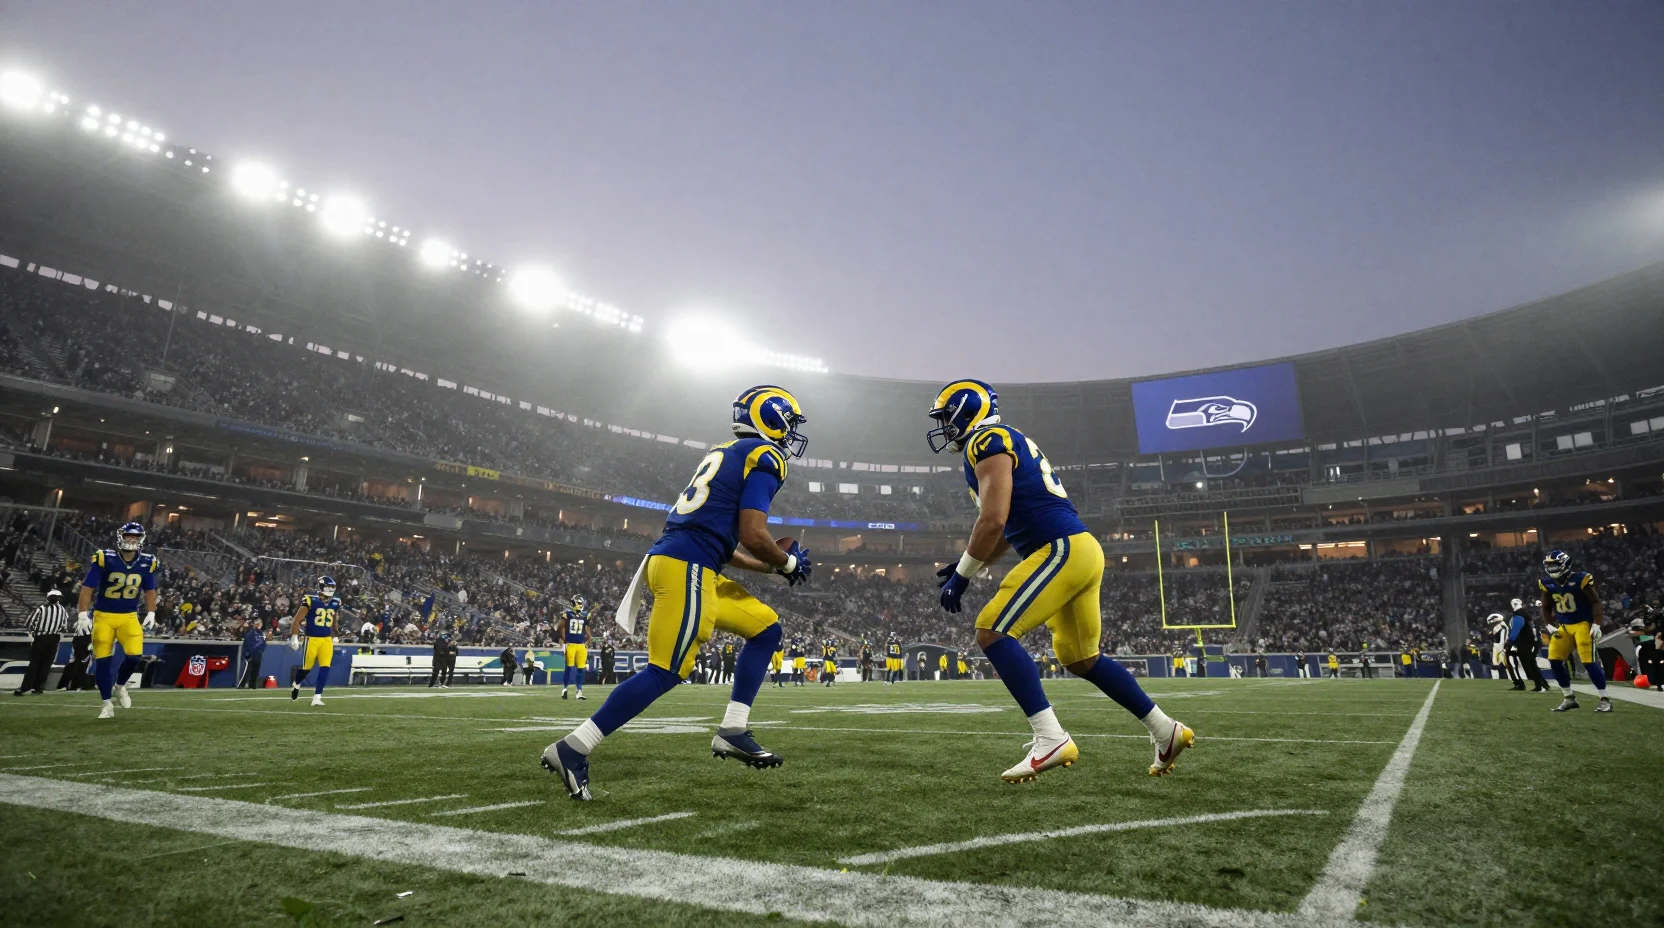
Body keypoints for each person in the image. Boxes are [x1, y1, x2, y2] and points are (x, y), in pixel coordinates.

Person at [543, 385, 812, 801]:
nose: (790, 433)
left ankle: (734, 729)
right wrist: (788, 562)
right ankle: (572, 748)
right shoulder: (766, 456)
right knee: (665, 670)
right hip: (687, 568)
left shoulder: (725, 452)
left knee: (767, 630)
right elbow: (754, 534)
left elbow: (725, 542)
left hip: (691, 563)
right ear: (771, 419)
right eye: (789, 422)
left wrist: (767, 566)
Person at [928, 379, 1191, 781]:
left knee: (992, 631)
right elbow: (1001, 528)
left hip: (1059, 549)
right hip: (1079, 550)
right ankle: (1165, 729)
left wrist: (963, 575)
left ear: (967, 411)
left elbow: (993, 519)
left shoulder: (986, 440)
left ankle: (1049, 738)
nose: (944, 425)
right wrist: (970, 562)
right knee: (1081, 657)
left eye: (947, 416)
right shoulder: (1002, 439)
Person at [77, 522, 160, 719]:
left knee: (134, 656)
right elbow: (87, 587)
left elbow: (150, 589)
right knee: (103, 662)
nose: (131, 539)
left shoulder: (147, 561)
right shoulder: (106, 558)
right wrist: (82, 613)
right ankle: (107, 704)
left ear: (141, 538)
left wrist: (151, 612)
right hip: (103, 616)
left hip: (129, 616)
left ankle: (120, 686)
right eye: (128, 535)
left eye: (135, 536)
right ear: (121, 536)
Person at [1539, 550, 1612, 712]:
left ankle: (1605, 699)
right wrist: (1549, 624)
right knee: (1554, 660)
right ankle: (1569, 698)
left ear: (1565, 564)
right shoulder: (1547, 583)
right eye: (1549, 566)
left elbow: (1595, 602)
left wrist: (1597, 624)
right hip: (1564, 627)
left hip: (1582, 625)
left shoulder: (1581, 579)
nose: (1551, 569)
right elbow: (1545, 606)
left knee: (1588, 661)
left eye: (1554, 565)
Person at [288, 576, 341, 707]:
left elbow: (334, 621)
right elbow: (296, 620)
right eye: (328, 587)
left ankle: (317, 697)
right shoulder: (310, 599)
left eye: (332, 588)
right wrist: (294, 637)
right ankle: (297, 683)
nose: (330, 590)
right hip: (311, 639)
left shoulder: (336, 601)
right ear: (321, 587)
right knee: (307, 669)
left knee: (325, 668)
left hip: (326, 640)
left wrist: (335, 635)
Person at [14, 588, 70, 696]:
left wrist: (35, 632)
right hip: (54, 639)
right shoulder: (63, 610)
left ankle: (25, 688)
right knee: (46, 664)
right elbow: (64, 627)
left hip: (41, 638)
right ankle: (38, 688)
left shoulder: (41, 608)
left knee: (35, 663)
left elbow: (29, 623)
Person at [1506, 597, 1550, 693]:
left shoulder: (1519, 615)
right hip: (1531, 642)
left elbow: (1516, 630)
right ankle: (1543, 684)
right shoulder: (1526, 614)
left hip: (1524, 643)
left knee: (1528, 665)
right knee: (1531, 664)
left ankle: (1540, 685)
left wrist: (1509, 641)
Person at [561, 595, 590, 700]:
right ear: (574, 603)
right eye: (579, 603)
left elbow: (586, 629)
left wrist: (589, 638)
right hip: (570, 644)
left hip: (581, 645)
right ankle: (565, 688)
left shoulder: (585, 615)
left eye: (581, 603)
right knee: (569, 668)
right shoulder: (567, 614)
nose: (581, 605)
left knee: (581, 669)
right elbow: (561, 628)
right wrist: (564, 641)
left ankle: (579, 691)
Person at [240, 619, 267, 690]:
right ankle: (242, 684)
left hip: (258, 654)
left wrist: (261, 650)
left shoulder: (261, 633)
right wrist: (247, 653)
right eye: (258, 624)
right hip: (251, 653)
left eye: (260, 624)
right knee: (247, 670)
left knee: (255, 670)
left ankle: (252, 685)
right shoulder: (251, 633)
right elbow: (247, 643)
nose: (259, 625)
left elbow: (263, 643)